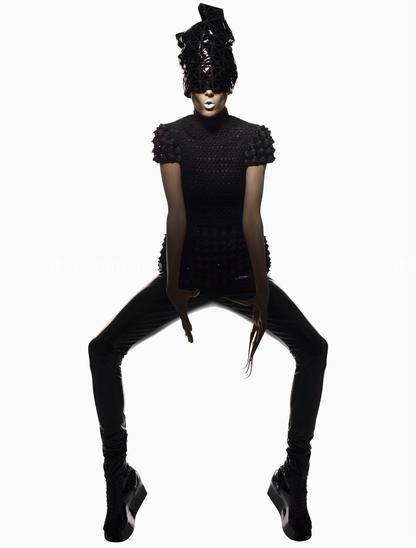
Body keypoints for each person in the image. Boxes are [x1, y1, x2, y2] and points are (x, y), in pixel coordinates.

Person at [88, 3, 328, 543]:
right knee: (102, 349)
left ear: (230, 81)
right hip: (189, 272)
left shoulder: (252, 137)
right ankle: (115, 486)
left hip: (241, 275)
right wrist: (174, 287)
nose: (210, 92)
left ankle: (295, 482)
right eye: (200, 84)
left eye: (217, 82)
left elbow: (251, 218)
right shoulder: (172, 137)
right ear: (188, 86)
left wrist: (260, 291)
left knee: (314, 349)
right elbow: (176, 215)